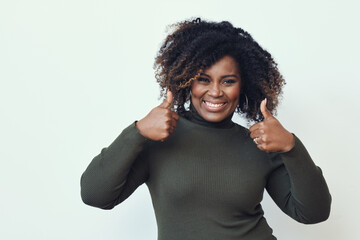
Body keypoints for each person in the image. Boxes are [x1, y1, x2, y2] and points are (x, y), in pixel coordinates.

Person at [80, 18, 331, 240]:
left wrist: (291, 147)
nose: (215, 91)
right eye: (203, 79)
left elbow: (313, 213)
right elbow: (95, 195)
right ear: (186, 81)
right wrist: (136, 132)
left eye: (228, 81)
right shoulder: (159, 138)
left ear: (244, 86)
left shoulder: (260, 143)